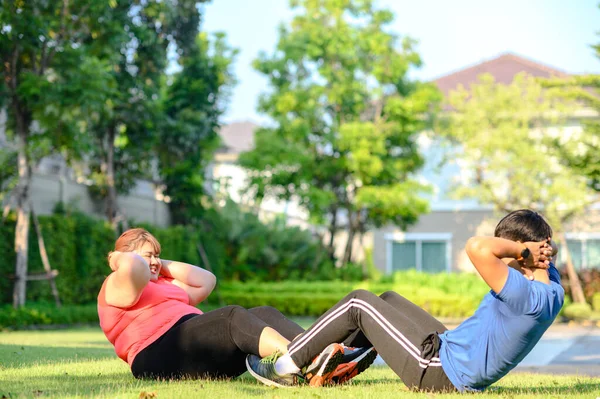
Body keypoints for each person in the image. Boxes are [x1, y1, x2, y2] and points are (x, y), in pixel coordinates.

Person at [246, 209, 564, 392]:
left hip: (440, 372)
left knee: (359, 303)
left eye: (507, 250)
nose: (501, 257)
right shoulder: (553, 291)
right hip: (448, 350)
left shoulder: (525, 296)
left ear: (525, 253)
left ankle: (287, 365)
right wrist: (535, 252)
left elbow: (476, 247)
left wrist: (522, 250)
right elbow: (538, 261)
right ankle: (339, 360)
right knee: (389, 300)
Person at [97, 228, 376, 384]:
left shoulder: (164, 286)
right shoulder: (118, 284)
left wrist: (159, 262)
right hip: (155, 354)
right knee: (231, 317)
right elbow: (134, 267)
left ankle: (325, 355)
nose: (156, 261)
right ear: (123, 258)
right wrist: (122, 258)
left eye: (158, 255)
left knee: (263, 313)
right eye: (149, 255)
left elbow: (206, 280)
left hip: (190, 349)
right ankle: (307, 360)